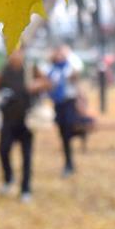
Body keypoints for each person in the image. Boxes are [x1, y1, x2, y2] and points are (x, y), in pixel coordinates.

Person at [0, 46, 49, 202]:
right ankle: (8, 178)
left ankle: (25, 189)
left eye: (18, 51)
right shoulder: (5, 70)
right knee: (3, 149)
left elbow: (48, 83)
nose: (14, 55)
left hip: (27, 120)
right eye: (12, 51)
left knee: (26, 156)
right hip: (8, 119)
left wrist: (37, 85)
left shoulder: (31, 69)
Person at [45, 44, 84, 177]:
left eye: (62, 55)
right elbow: (48, 85)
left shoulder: (69, 68)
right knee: (63, 132)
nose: (60, 57)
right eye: (58, 55)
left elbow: (77, 70)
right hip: (58, 104)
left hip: (69, 102)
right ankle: (68, 162)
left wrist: (69, 54)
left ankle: (70, 160)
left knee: (69, 128)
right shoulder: (52, 71)